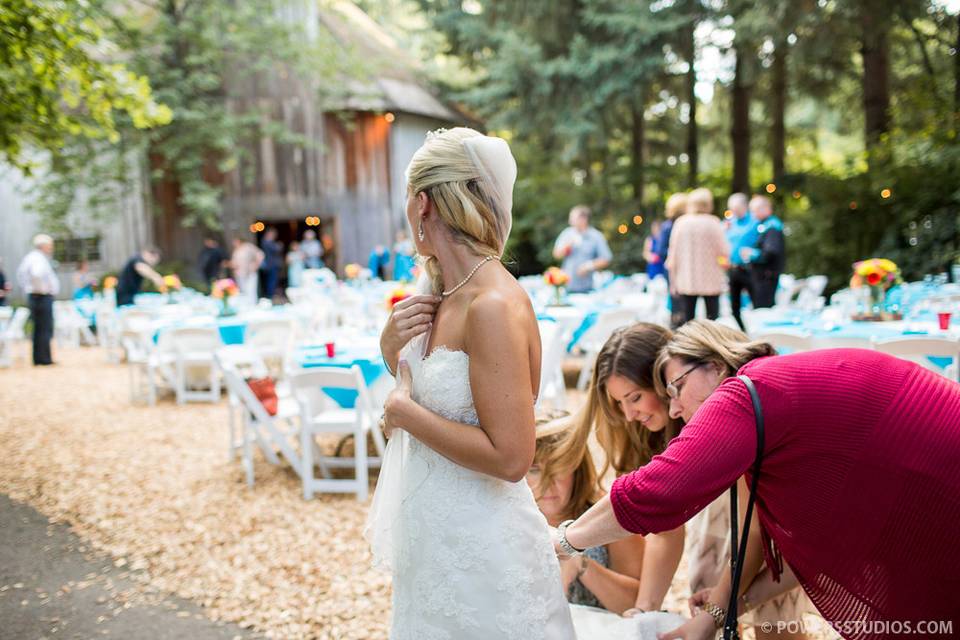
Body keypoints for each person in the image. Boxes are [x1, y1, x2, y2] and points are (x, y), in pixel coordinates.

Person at [554, 320, 960, 639]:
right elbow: (765, 541)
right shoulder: (763, 392)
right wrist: (717, 611)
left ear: (714, 363)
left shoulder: (743, 394)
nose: (675, 410)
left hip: (934, 480)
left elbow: (658, 491)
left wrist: (564, 540)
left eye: (675, 388)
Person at [370, 127, 576, 638]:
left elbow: (511, 458)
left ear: (423, 204)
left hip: (484, 554)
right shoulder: (444, 289)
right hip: (435, 543)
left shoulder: (491, 305)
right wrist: (390, 350)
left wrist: (404, 414)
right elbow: (425, 396)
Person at [580, 322, 813, 639]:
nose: (628, 414)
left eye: (634, 398)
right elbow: (663, 525)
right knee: (707, 588)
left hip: (758, 505)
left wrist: (722, 608)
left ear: (663, 380)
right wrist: (646, 609)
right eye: (618, 403)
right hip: (716, 510)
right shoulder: (643, 430)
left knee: (769, 612)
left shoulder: (721, 417)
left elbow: (755, 533)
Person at [527, 418, 646, 614]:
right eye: (535, 470)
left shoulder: (608, 515)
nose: (548, 483)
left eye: (558, 467)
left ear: (577, 469)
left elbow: (637, 605)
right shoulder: (511, 519)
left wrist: (581, 564)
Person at [665, 188, 730, 325]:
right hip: (711, 279)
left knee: (688, 321)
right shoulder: (713, 222)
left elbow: (673, 255)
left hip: (686, 279)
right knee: (712, 321)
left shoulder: (681, 223)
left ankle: (688, 345)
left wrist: (673, 281)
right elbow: (723, 252)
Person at [16, 234, 60, 365]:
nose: (51, 248)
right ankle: (44, 359)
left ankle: (39, 358)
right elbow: (37, 274)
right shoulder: (38, 258)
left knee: (39, 329)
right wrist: (42, 289)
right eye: (50, 246)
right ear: (43, 246)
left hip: (36, 296)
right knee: (44, 328)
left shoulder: (31, 257)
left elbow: (21, 275)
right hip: (41, 297)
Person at [552, 205, 613, 294]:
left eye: (573, 218)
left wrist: (588, 266)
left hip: (588, 288)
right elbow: (556, 255)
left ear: (583, 219)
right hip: (566, 285)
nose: (570, 221)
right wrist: (567, 246)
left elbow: (607, 258)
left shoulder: (596, 236)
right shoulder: (567, 234)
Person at [741, 195, 785, 309]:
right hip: (761, 275)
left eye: (754, 211)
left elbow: (771, 251)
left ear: (765, 208)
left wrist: (752, 254)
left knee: (763, 309)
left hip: (766, 276)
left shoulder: (772, 226)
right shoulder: (763, 225)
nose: (752, 214)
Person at [724, 193, 758, 331]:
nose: (734, 212)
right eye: (732, 209)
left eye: (737, 208)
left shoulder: (754, 222)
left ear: (745, 206)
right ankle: (743, 332)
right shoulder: (728, 223)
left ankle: (759, 331)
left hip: (750, 268)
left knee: (756, 303)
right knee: (734, 306)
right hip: (733, 268)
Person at [657, 193, 688, 328]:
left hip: (684, 269)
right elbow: (661, 250)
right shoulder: (668, 226)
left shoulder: (686, 224)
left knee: (683, 303)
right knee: (676, 303)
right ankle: (676, 328)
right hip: (673, 270)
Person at [230, 237, 264, 305]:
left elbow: (260, 254)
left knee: (251, 290)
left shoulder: (248, 246)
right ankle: (246, 306)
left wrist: (256, 265)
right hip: (240, 274)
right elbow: (235, 263)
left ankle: (253, 306)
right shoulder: (236, 250)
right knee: (243, 291)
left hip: (250, 272)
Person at [259, 227, 283, 300]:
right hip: (271, 265)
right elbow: (277, 249)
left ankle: (271, 294)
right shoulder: (267, 242)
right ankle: (270, 295)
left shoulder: (268, 242)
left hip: (272, 264)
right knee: (271, 280)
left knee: (272, 280)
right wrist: (279, 245)